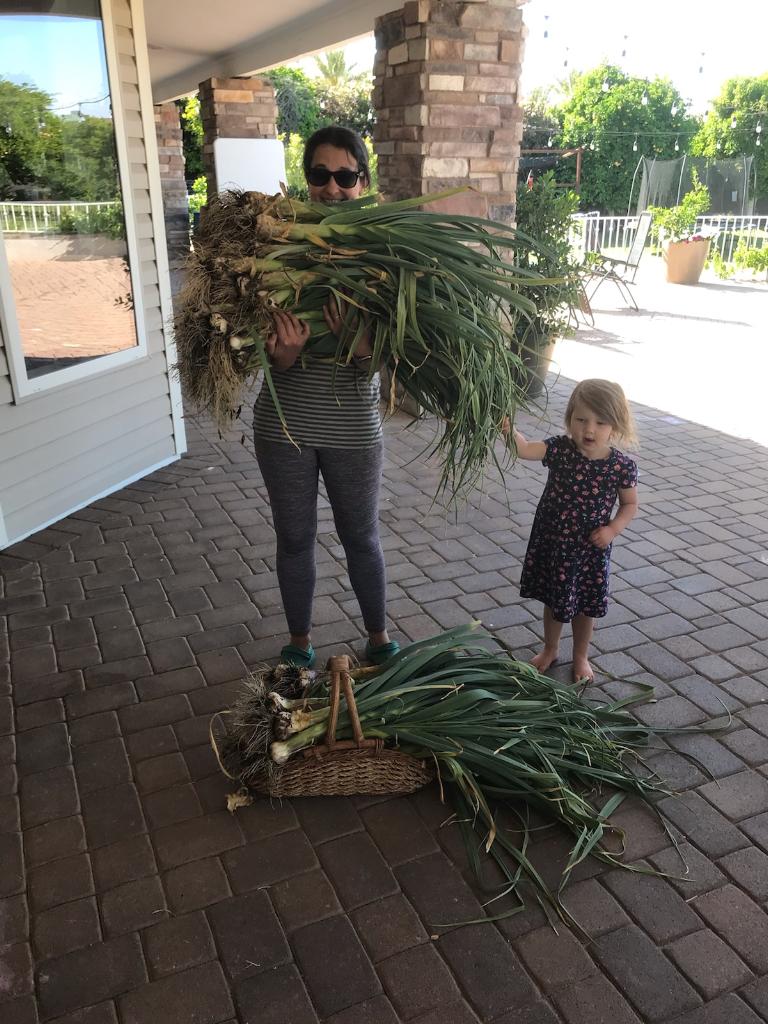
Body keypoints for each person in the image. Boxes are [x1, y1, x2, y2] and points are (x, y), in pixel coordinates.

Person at [252, 126, 399, 669]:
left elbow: (394, 354)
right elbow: (253, 351)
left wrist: (362, 349)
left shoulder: (385, 252)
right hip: (284, 424)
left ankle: (379, 637)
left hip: (353, 428)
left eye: (344, 176)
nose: (332, 188)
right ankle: (299, 641)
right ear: (306, 179)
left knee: (360, 535)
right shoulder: (278, 249)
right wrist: (283, 356)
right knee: (293, 537)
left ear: (363, 181)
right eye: (320, 175)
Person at [504, 379, 639, 683]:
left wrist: (612, 530)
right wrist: (506, 429)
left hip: (590, 548)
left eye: (600, 422)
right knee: (554, 600)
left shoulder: (620, 466)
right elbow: (524, 449)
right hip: (554, 542)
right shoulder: (560, 449)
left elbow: (629, 505)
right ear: (569, 419)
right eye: (581, 420)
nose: (589, 430)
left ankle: (581, 656)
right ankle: (550, 648)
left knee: (584, 604)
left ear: (615, 425)